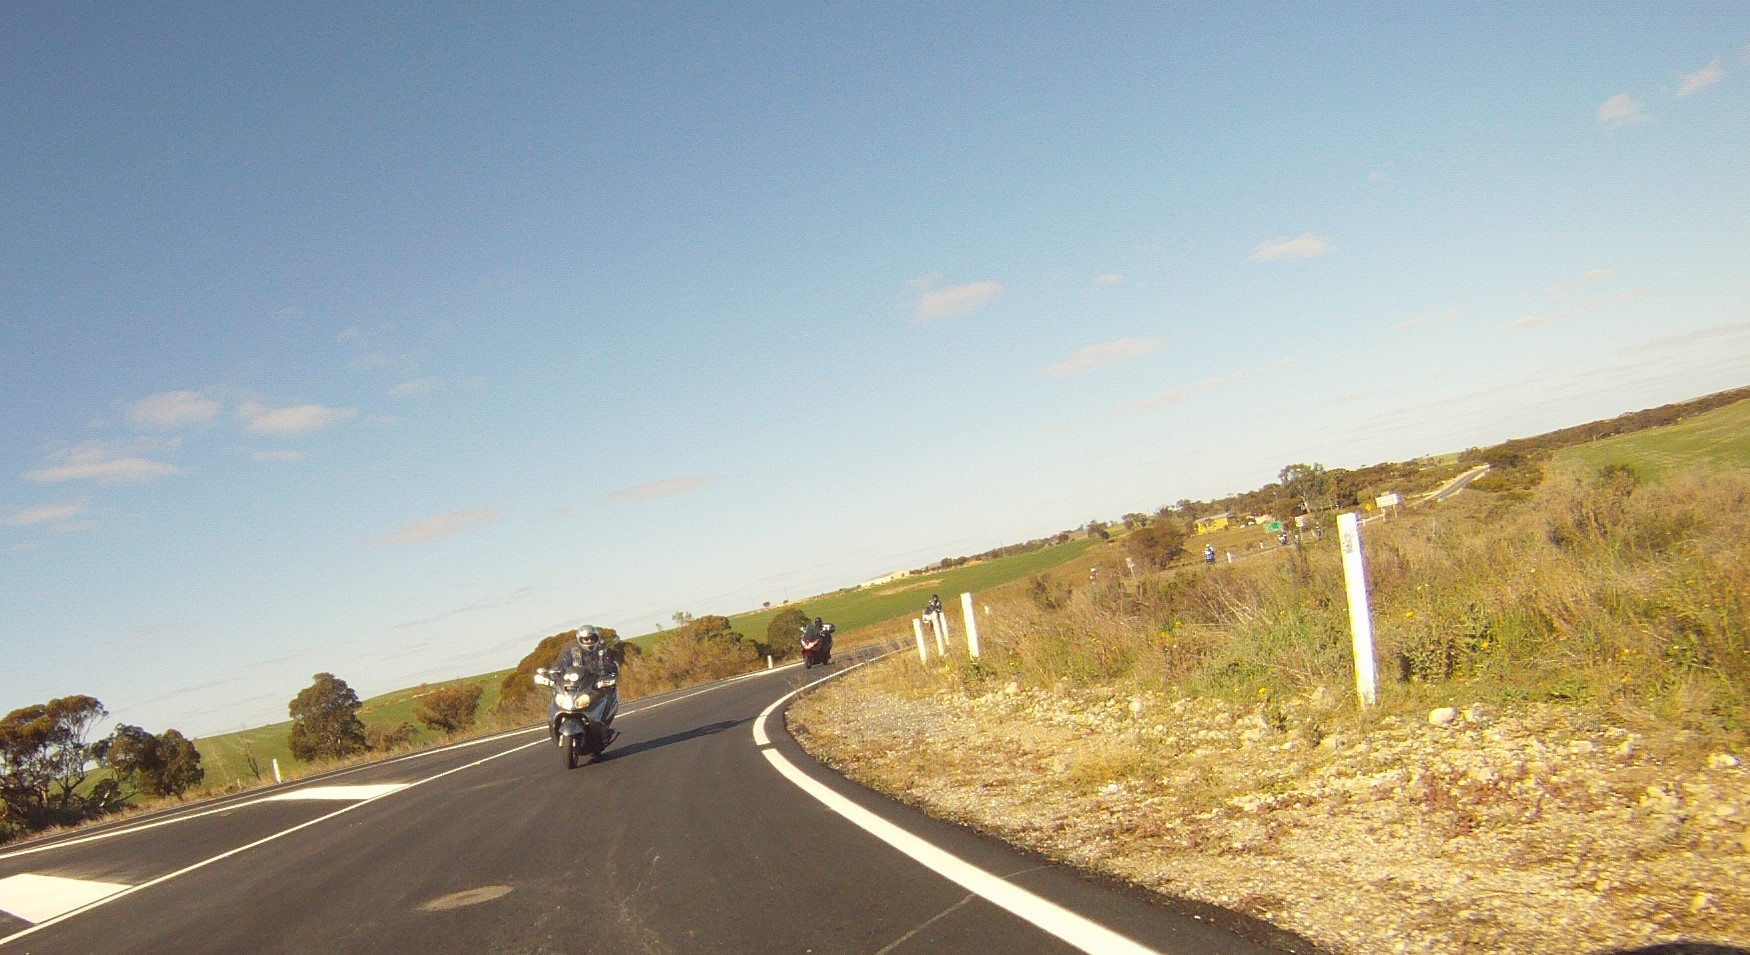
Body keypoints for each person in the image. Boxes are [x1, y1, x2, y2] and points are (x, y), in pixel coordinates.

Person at [552, 625, 616, 682]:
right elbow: (562, 661)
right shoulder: (573, 652)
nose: (589, 640)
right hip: (577, 683)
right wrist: (555, 670)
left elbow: (611, 666)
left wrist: (607, 672)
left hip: (598, 684)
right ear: (580, 639)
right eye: (586, 639)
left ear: (596, 638)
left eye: (592, 638)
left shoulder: (603, 651)